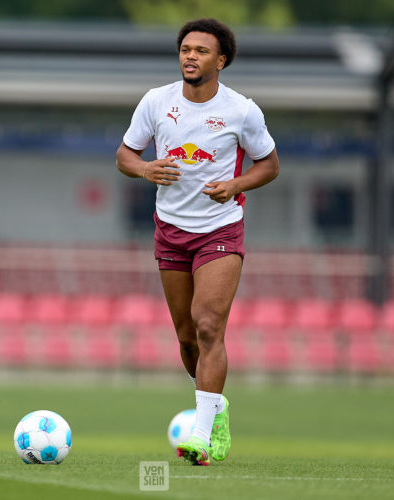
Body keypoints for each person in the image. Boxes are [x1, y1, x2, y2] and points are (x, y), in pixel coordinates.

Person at [116, 18, 279, 466]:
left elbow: (270, 165)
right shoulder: (156, 101)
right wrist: (145, 169)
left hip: (220, 229)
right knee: (187, 339)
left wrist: (237, 183)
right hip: (169, 229)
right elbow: (125, 155)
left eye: (201, 51)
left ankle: (203, 435)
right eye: (185, 49)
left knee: (209, 325)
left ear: (221, 61)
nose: (190, 56)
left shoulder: (242, 111)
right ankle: (216, 405)